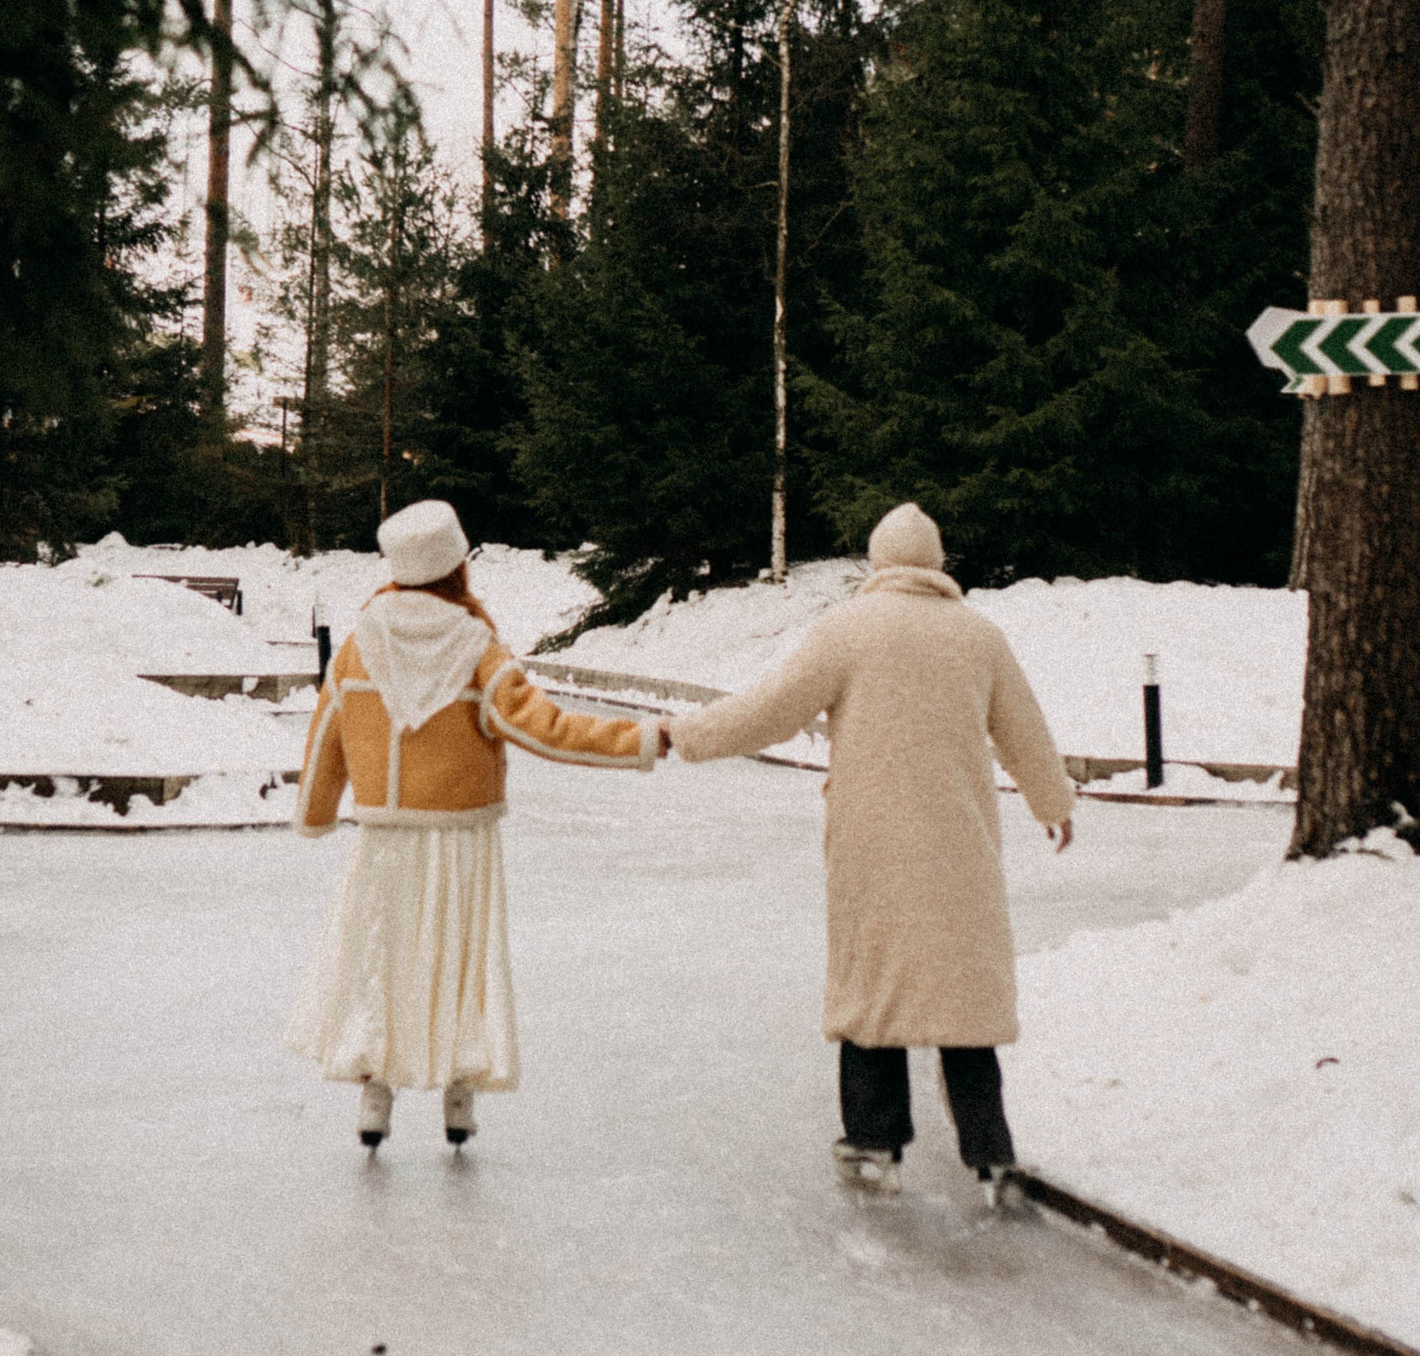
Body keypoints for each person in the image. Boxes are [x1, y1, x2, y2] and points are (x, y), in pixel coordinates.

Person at [661, 503, 1075, 1200]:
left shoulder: (849, 630)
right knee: (962, 996)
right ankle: (991, 1151)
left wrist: (689, 733)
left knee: (875, 986)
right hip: (960, 847)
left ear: (880, 562)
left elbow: (770, 708)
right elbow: (1023, 730)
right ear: (937, 563)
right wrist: (1054, 803)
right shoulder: (979, 636)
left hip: (873, 846)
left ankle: (874, 1140)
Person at [286, 499, 663, 1153]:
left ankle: (376, 1093)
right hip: (461, 835)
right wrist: (641, 739)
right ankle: (459, 1088)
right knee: (457, 959)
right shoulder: (476, 647)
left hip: (385, 836)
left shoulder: (357, 643)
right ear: (456, 565)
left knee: (382, 955)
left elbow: (327, 736)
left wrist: (316, 811)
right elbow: (547, 727)